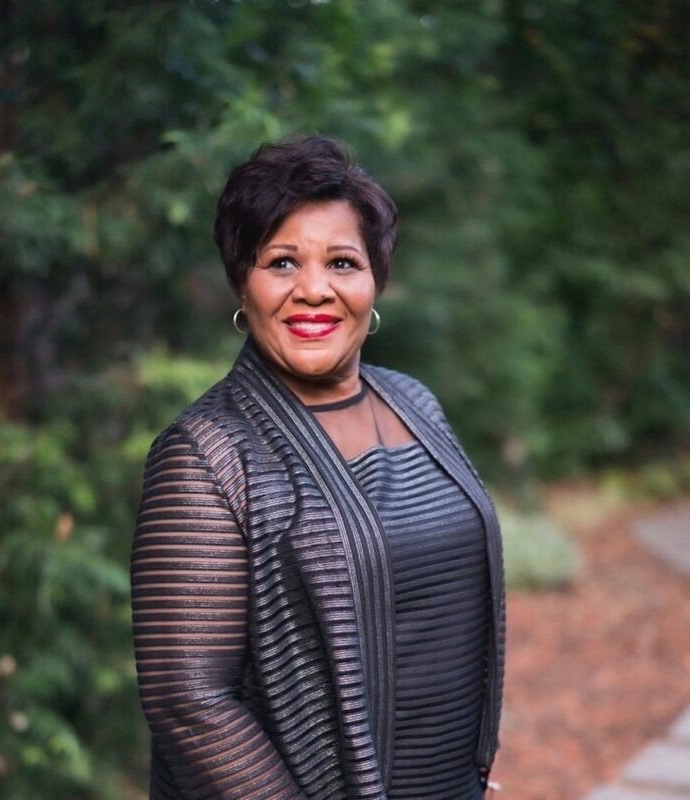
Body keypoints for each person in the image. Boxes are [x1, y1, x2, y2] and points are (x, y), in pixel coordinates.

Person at [131, 135, 505, 800]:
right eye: (281, 262)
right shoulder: (207, 454)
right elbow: (189, 703)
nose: (313, 290)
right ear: (242, 283)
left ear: (374, 281)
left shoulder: (415, 402)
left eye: (341, 261)